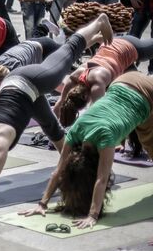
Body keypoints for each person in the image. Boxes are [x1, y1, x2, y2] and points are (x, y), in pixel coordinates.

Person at [0, 15, 113, 211]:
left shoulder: (0, 142)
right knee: (52, 128)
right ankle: (72, 167)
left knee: (68, 51)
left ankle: (99, 21)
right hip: (19, 89)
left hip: (29, 81)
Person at [19, 70, 153, 229]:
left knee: (149, 139)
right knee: (147, 136)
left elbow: (101, 179)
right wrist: (42, 204)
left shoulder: (105, 137)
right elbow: (59, 171)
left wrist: (93, 215)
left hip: (147, 92)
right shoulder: (75, 131)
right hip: (122, 82)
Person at [54, 35, 153, 126]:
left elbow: (98, 116)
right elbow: (58, 106)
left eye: (87, 102)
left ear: (85, 96)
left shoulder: (98, 83)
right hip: (112, 49)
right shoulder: (74, 77)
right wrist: (55, 132)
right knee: (140, 90)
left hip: (129, 46)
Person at [0, 36, 63, 118]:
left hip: (46, 50)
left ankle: (72, 96)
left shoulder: (16, 72)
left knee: (52, 83)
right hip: (33, 43)